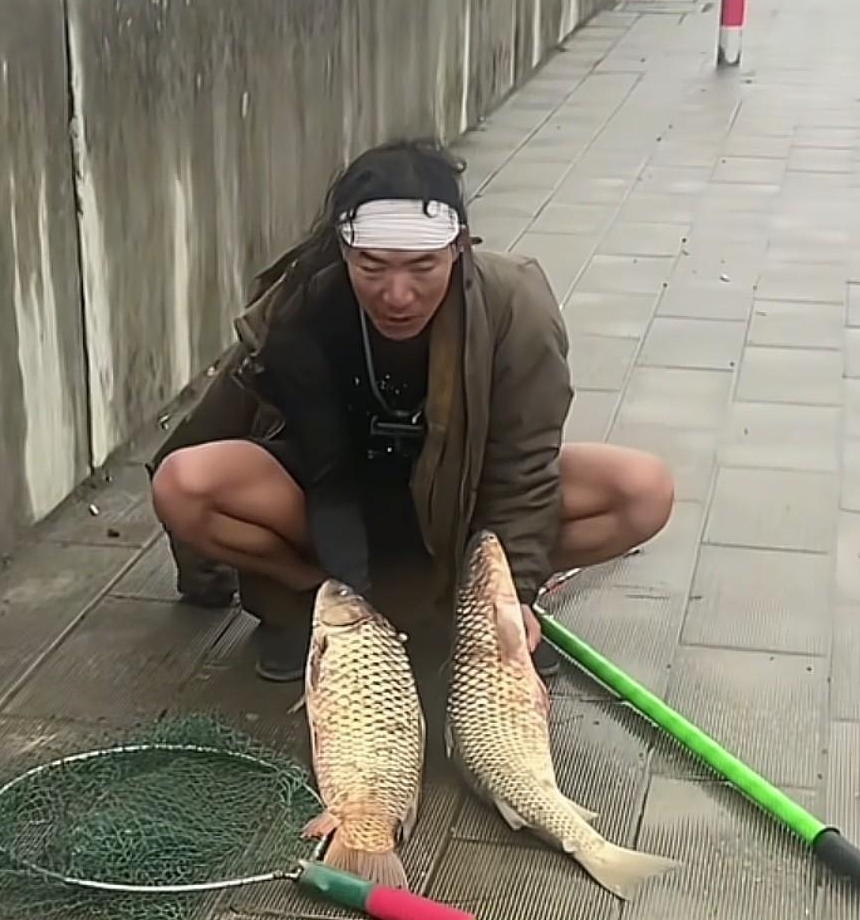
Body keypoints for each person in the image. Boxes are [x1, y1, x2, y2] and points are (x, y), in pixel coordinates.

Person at [148, 138, 674, 683]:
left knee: (642, 489)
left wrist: (511, 595)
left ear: (460, 247)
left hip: (462, 503)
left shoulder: (516, 304)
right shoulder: (305, 304)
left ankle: (468, 607)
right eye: (372, 267)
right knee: (183, 485)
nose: (397, 295)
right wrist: (348, 605)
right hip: (332, 499)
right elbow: (319, 473)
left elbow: (522, 467)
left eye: (423, 266)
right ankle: (317, 608)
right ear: (344, 251)